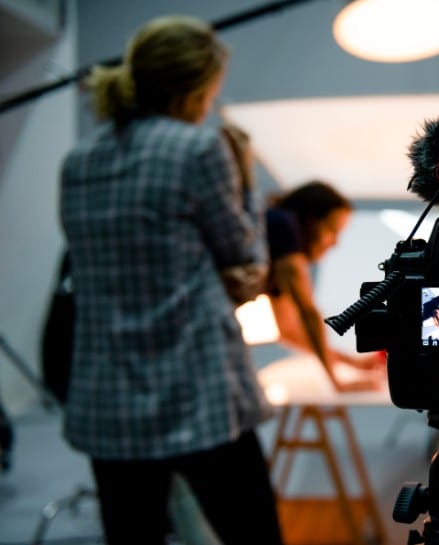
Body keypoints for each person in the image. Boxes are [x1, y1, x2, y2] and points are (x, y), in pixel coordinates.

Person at [59, 15, 282, 545]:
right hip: (195, 390)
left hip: (108, 394)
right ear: (198, 87)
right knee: (254, 534)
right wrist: (246, 174)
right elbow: (245, 254)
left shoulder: (78, 160)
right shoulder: (199, 149)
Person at [264, 181, 385, 391]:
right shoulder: (283, 225)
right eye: (332, 230)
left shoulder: (276, 247)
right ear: (311, 222)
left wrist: (351, 362)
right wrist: (337, 383)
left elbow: (289, 332)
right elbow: (308, 314)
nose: (334, 243)